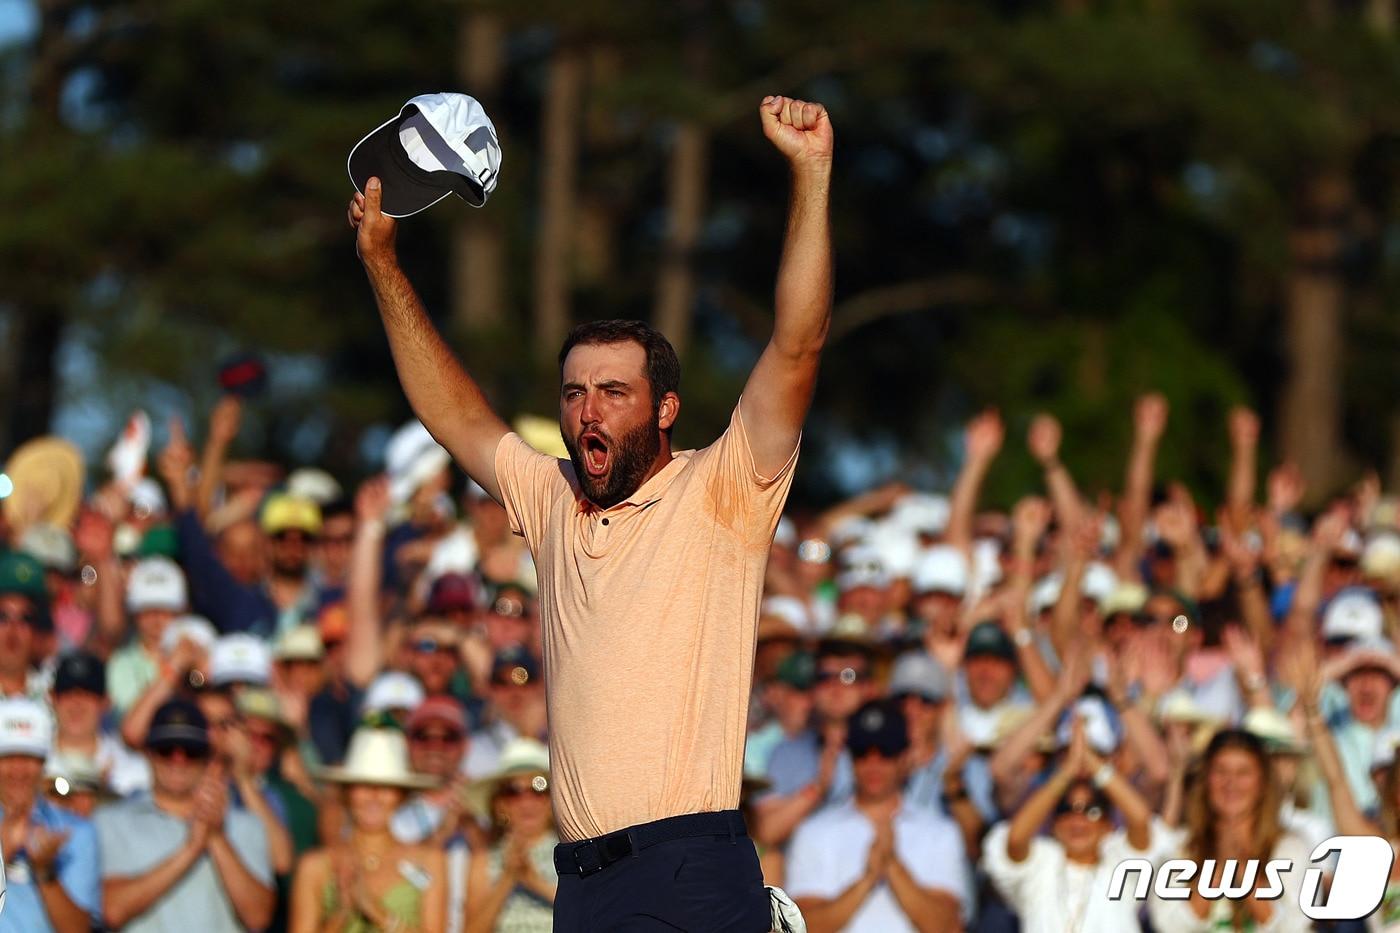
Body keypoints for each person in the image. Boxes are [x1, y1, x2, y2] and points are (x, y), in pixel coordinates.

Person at [349, 90, 833, 931]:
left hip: (688, 865)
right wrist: (383, 264)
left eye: (613, 391)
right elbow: (454, 414)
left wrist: (813, 174)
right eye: (574, 392)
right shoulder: (552, 497)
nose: (588, 411)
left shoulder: (722, 487)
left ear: (666, 408)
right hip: (582, 880)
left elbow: (798, 343)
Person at [785, 698, 968, 932]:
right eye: (862, 752)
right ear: (849, 756)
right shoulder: (814, 832)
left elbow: (947, 926)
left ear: (904, 756)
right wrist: (867, 879)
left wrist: (892, 865)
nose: (873, 763)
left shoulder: (940, 832)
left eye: (886, 752)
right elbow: (804, 927)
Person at [95, 698, 275, 931]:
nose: (178, 760)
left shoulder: (246, 826)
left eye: (190, 751)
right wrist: (191, 850)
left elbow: (259, 917)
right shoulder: (111, 821)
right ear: (149, 753)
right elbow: (112, 910)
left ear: (208, 756)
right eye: (166, 750)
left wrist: (217, 838)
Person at [981, 717, 1158, 933]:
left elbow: (1140, 819)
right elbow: (1016, 839)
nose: (1078, 820)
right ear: (1053, 823)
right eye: (1066, 809)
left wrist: (1093, 762)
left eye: (1091, 810)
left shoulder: (1120, 866)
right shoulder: (1040, 864)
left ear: (1108, 825)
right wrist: (1067, 771)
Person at [1148, 728, 1311, 932]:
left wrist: (1241, 868)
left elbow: (1293, 927)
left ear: (1262, 783)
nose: (1231, 783)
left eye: (1243, 773)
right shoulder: (1181, 848)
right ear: (1206, 779)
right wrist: (1216, 869)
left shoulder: (1290, 849)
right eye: (1221, 771)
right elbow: (1170, 926)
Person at [290, 726, 447, 932]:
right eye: (363, 785)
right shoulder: (315, 866)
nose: (374, 796)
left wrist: (377, 913)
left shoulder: (429, 861)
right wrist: (342, 912)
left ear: (402, 795)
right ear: (347, 793)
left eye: (386, 786)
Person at [0, 697, 100, 933]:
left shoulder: (75, 831)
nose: (18, 770)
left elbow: (77, 930)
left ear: (44, 762)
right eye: (8, 757)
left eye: (29, 758)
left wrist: (46, 872)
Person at [464, 738, 558, 933]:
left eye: (539, 787)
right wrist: (507, 878)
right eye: (513, 791)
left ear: (552, 800)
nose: (526, 802)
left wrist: (534, 881)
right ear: (499, 805)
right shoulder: (484, 861)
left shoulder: (571, 854)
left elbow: (591, 916)